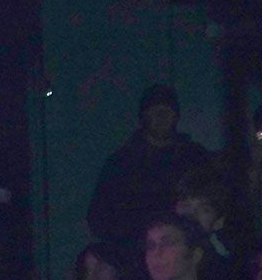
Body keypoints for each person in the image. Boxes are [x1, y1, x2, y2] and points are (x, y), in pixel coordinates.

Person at [86, 84, 211, 248]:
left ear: (177, 116)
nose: (161, 117)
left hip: (187, 255)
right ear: (143, 117)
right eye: (155, 111)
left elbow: (214, 204)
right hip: (136, 258)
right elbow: (99, 219)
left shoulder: (195, 158)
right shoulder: (121, 164)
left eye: (167, 111)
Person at [174, 165, 253, 280]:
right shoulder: (158, 247)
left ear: (218, 222)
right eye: (187, 204)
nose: (192, 214)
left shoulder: (222, 262)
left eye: (204, 210)